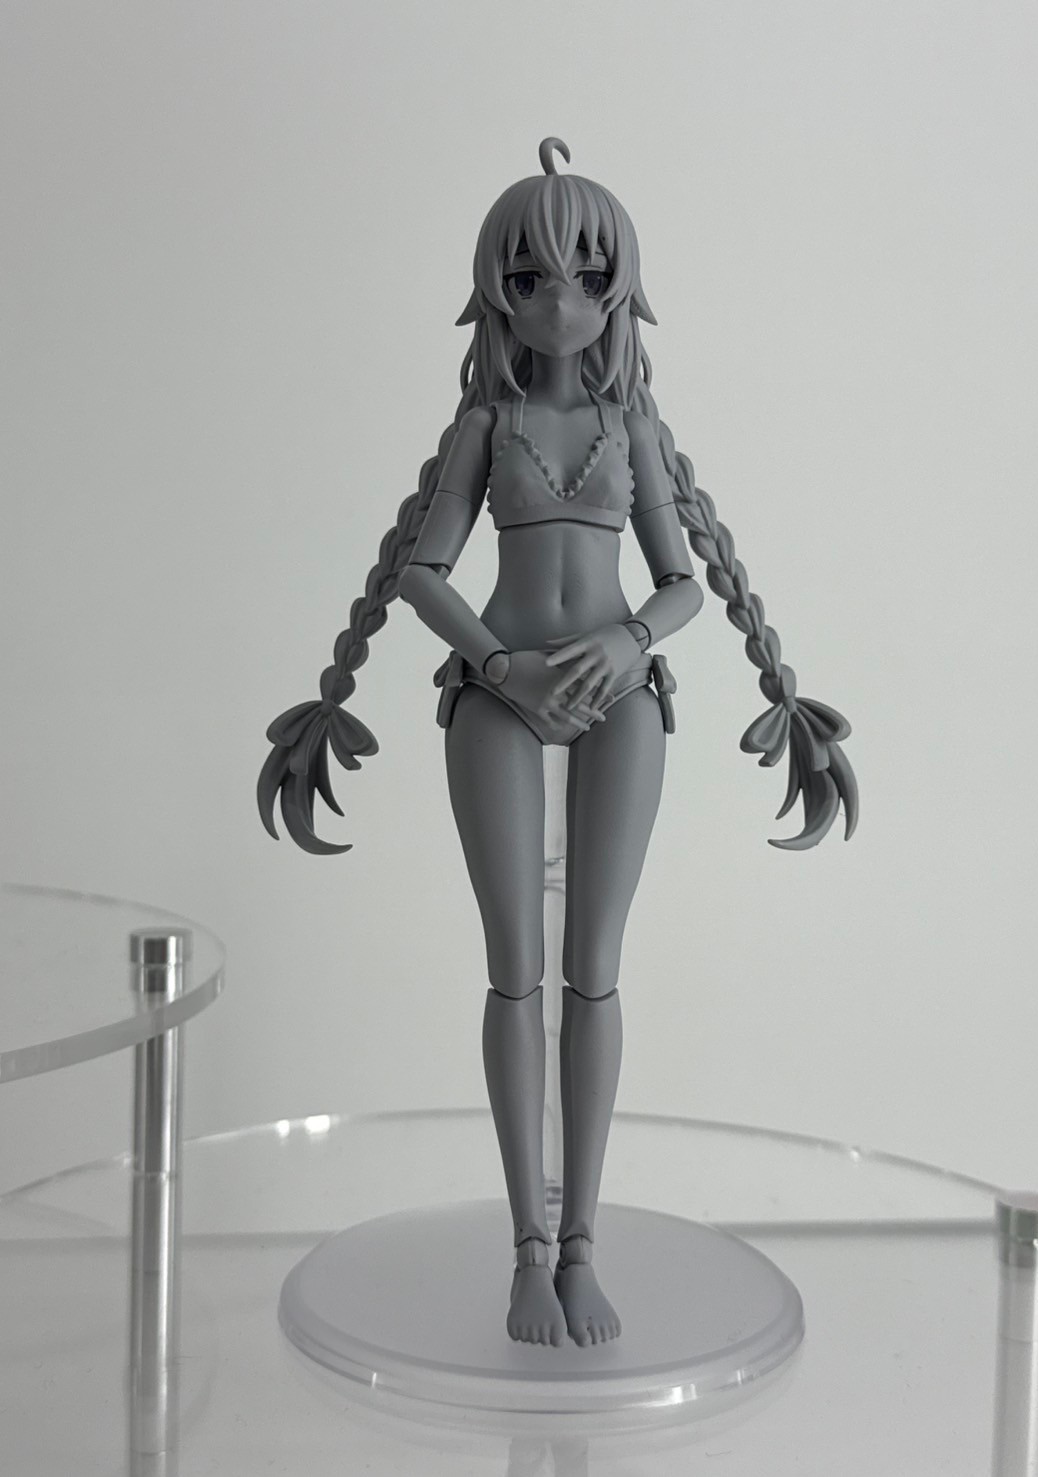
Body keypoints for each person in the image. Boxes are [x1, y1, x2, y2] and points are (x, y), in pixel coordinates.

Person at [258, 138, 857, 1349]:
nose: (561, 301)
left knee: (594, 969)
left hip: (622, 696)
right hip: (496, 696)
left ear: (621, 287)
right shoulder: (488, 422)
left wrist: (629, 643)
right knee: (514, 969)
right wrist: (501, 665)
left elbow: (684, 582)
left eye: (588, 275)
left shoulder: (631, 425)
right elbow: (422, 572)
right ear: (497, 291)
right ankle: (527, 1255)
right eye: (530, 278)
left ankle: (581, 1244)